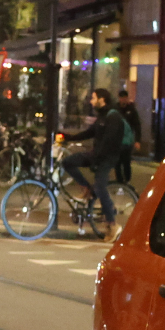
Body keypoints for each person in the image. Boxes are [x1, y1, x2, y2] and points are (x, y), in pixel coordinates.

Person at [61, 87, 129, 239]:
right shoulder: (103, 116)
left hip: (107, 158)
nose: (91, 102)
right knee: (68, 162)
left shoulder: (113, 117)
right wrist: (68, 138)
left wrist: (96, 161)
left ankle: (113, 225)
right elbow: (90, 133)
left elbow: (108, 143)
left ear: (102, 99)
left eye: (93, 98)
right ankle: (86, 188)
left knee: (100, 186)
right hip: (96, 155)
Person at [113, 88, 141, 185]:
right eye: (122, 98)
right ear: (119, 98)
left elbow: (137, 125)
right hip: (117, 140)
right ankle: (119, 182)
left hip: (128, 141)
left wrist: (137, 140)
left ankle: (127, 181)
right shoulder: (115, 109)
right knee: (117, 162)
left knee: (126, 162)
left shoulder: (131, 110)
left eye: (125, 98)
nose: (123, 100)